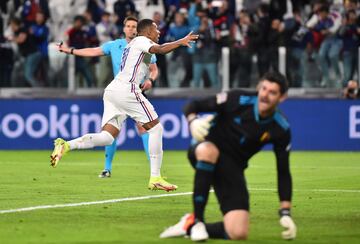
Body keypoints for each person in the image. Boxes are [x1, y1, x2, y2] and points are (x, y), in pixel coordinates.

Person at [51, 18, 199, 192]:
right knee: (156, 129)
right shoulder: (143, 41)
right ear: (148, 31)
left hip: (113, 90)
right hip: (128, 90)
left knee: (107, 137)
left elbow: (152, 64)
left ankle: (66, 145)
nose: (158, 32)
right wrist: (181, 41)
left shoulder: (131, 45)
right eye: (156, 29)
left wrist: (151, 77)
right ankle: (155, 177)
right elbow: (160, 49)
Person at [160, 72, 297, 241]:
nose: (265, 95)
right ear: (258, 88)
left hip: (232, 167)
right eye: (264, 89)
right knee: (209, 150)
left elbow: (283, 170)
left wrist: (285, 212)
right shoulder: (237, 98)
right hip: (205, 148)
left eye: (272, 92)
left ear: (282, 98)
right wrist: (192, 121)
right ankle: (198, 220)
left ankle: (188, 225)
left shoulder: (280, 128)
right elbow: (193, 105)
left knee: (238, 232)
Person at [58, 16, 158, 179]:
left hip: (136, 91)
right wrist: (70, 50)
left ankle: (153, 170)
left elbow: (154, 69)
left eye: (134, 26)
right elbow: (93, 51)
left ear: (138, 30)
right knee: (113, 133)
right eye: (129, 26)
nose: (132, 29)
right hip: (119, 92)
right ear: (124, 29)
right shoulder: (115, 45)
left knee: (144, 128)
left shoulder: (145, 45)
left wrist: (150, 80)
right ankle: (107, 168)